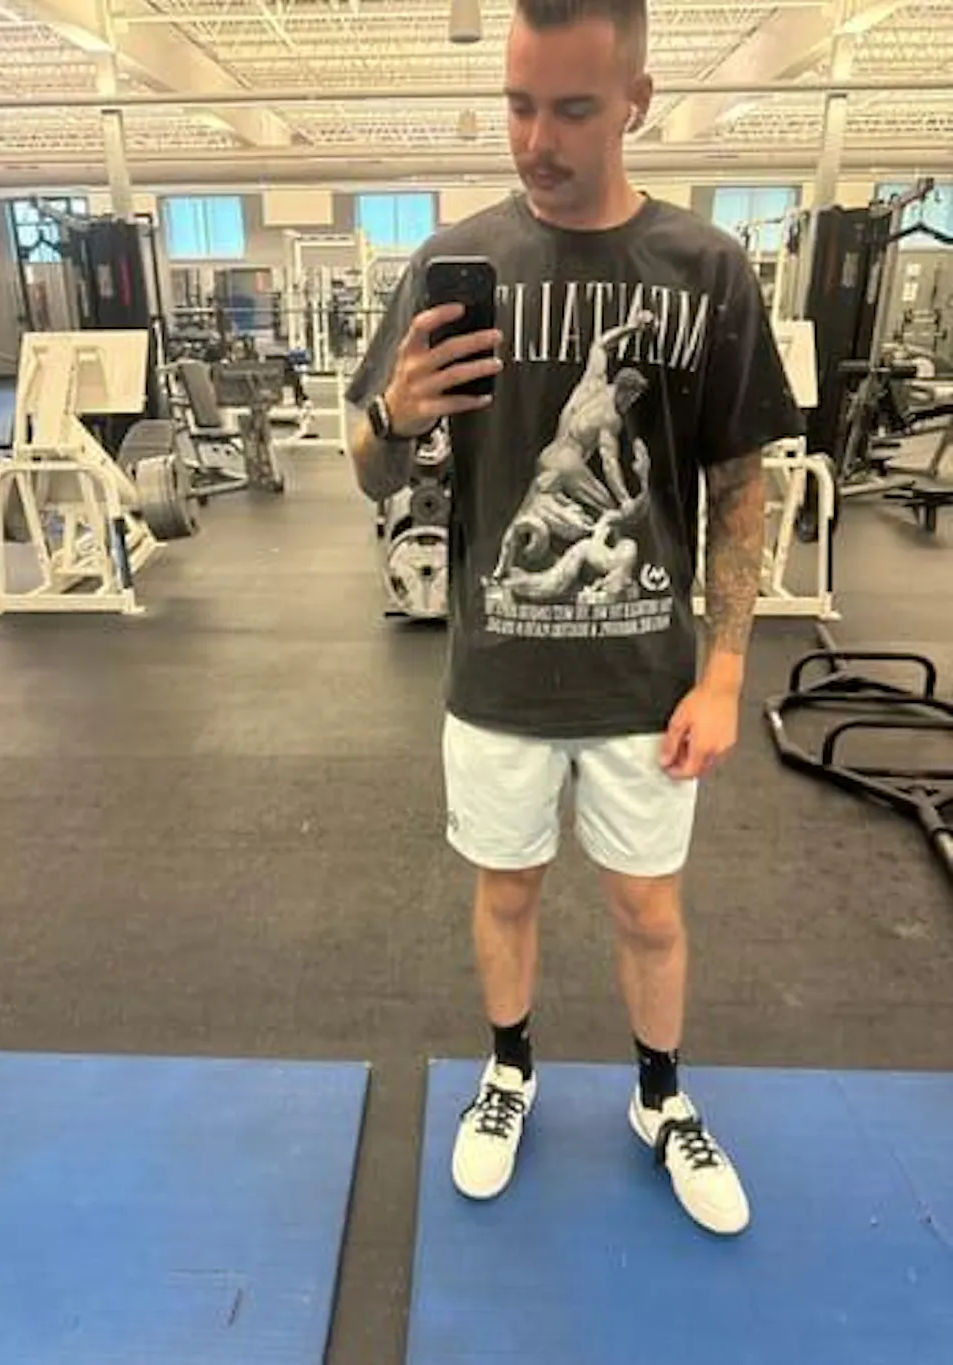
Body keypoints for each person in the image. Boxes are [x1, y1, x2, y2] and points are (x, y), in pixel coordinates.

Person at [345, 0, 803, 1237]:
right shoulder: (455, 259)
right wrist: (392, 415)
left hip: (646, 685)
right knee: (505, 892)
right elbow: (370, 474)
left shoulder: (704, 268)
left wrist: (724, 674)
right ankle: (508, 1072)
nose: (535, 140)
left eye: (573, 109)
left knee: (647, 908)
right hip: (497, 674)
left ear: (636, 102)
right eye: (518, 104)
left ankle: (660, 1097)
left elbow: (737, 485)